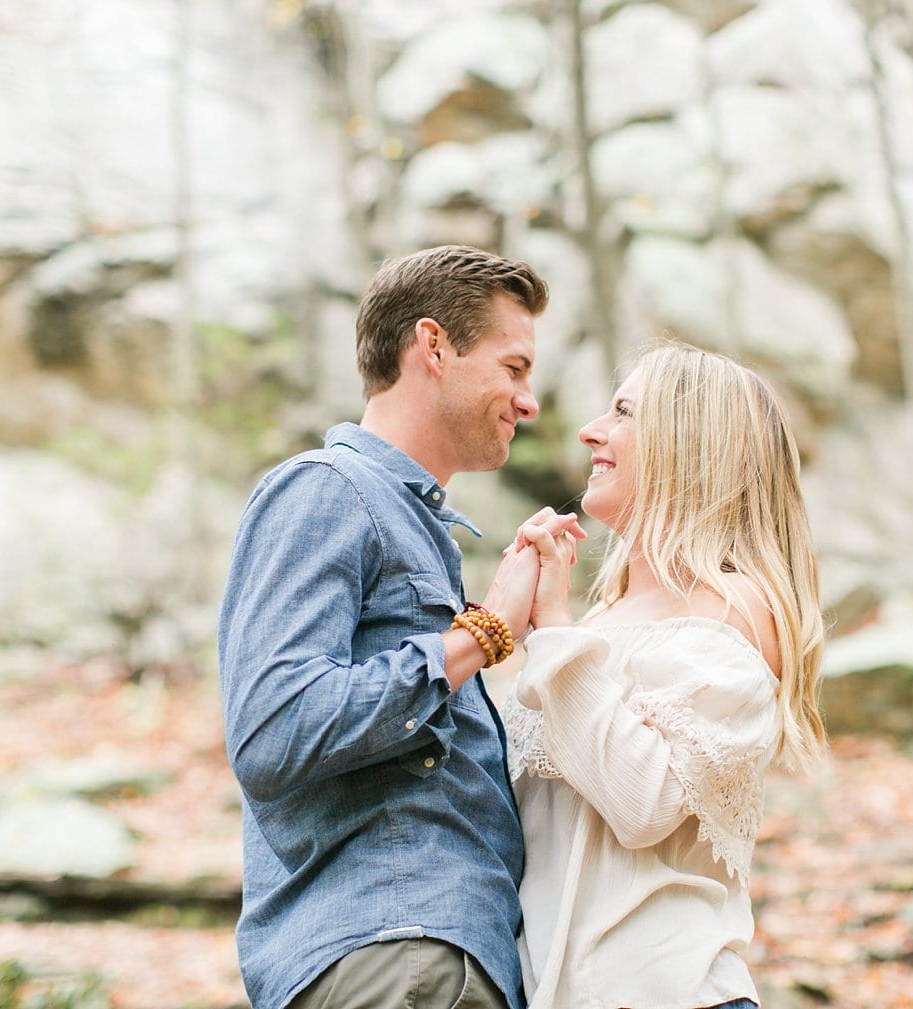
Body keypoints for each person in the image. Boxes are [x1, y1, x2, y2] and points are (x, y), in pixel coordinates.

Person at [217, 245, 583, 1009]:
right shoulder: (326, 490)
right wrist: (478, 634)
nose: (529, 400)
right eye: (513, 367)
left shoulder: (419, 531)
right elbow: (274, 730)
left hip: (440, 960)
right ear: (434, 346)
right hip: (397, 957)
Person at [503, 343, 829, 1009]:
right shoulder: (598, 620)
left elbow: (642, 801)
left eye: (623, 413)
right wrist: (501, 627)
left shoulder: (737, 610)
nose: (591, 430)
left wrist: (555, 625)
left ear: (689, 444)